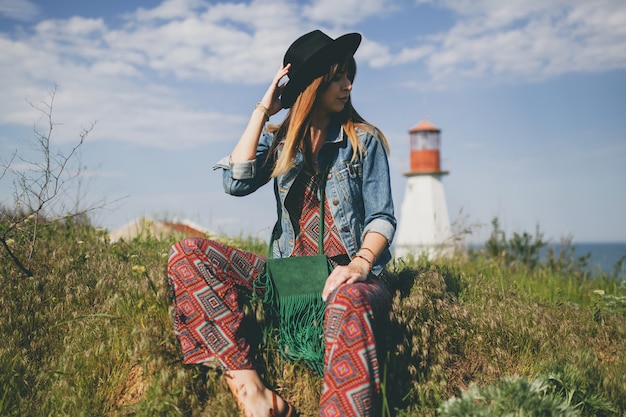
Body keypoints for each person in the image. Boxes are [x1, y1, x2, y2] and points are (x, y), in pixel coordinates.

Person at [167, 29, 396, 417]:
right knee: (187, 254)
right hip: (287, 281)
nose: (348, 85)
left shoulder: (363, 141)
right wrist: (263, 110)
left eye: (348, 75)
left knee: (349, 300)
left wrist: (359, 265)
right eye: (338, 76)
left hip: (350, 278)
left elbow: (382, 218)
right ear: (313, 83)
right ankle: (254, 393)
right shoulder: (278, 142)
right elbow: (235, 182)